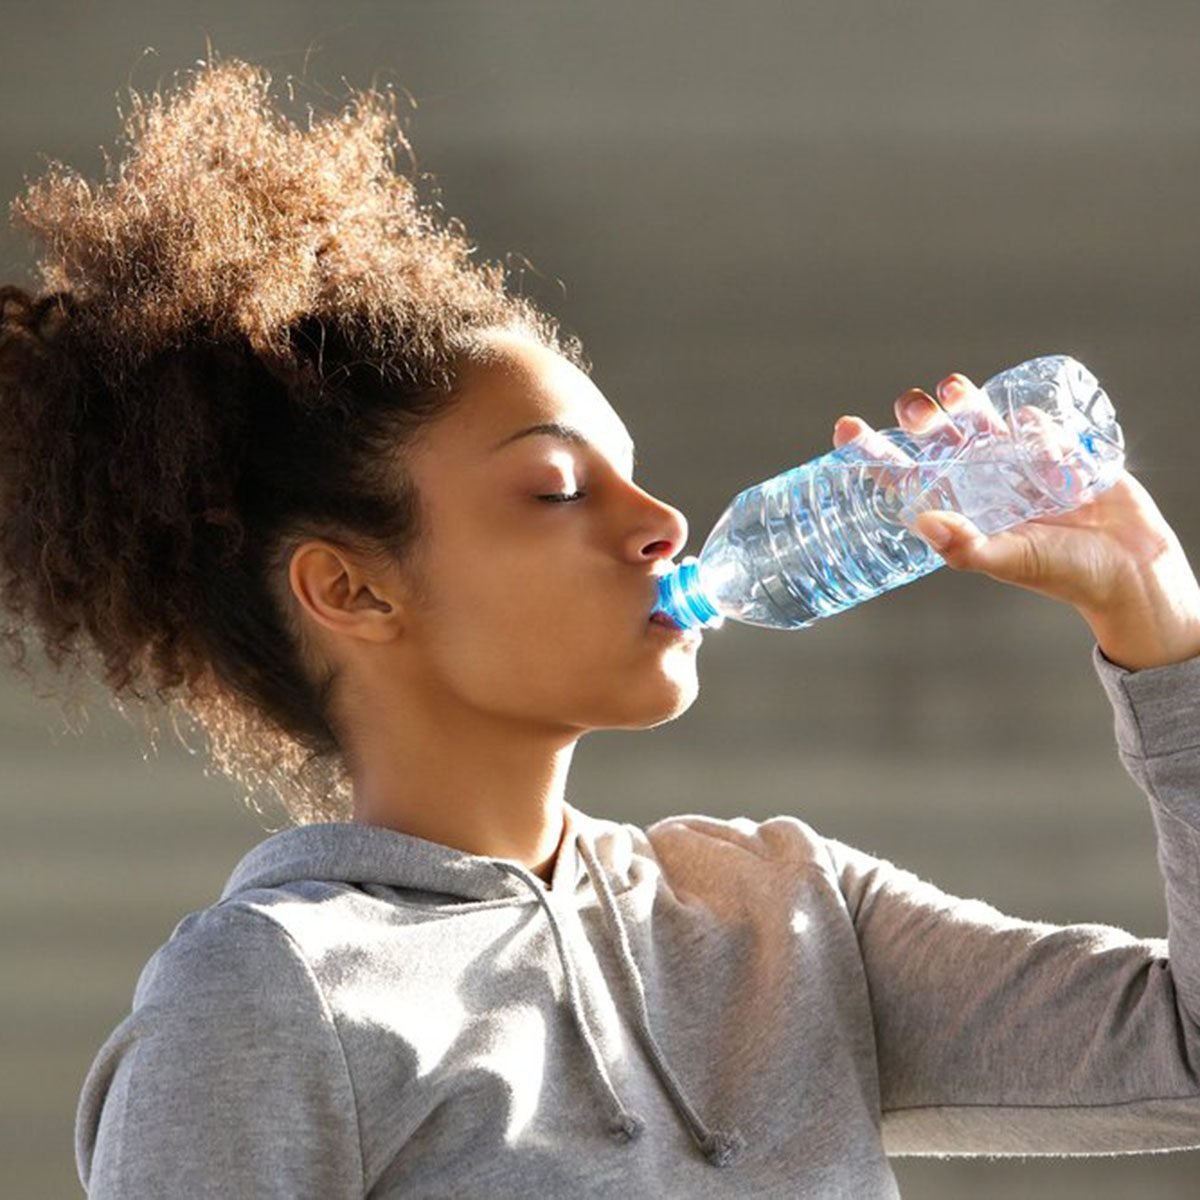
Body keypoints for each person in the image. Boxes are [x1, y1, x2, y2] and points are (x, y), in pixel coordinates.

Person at [1, 56, 1198, 1200]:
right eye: (559, 489)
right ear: (353, 590)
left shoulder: (782, 912)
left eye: (633, 475)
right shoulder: (265, 996)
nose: (665, 521)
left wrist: (1163, 636)